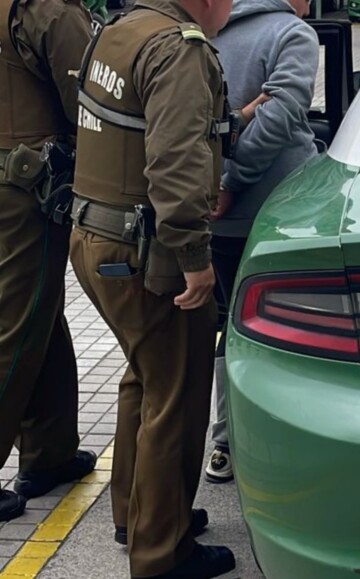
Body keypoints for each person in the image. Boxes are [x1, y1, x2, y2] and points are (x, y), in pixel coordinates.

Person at [68, 0, 246, 575]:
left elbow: (135, 123)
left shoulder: (120, 30)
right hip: (149, 253)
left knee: (144, 379)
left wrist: (231, 117)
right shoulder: (179, 47)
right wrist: (194, 256)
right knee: (178, 394)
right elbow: (173, 161)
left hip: (95, 237)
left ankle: (138, 515)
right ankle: (162, 552)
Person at [204, 0, 319, 484]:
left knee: (228, 331)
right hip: (277, 216)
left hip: (215, 219)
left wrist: (216, 183)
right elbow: (281, 114)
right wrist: (233, 181)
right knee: (285, 332)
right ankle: (279, 443)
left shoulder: (205, 28)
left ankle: (223, 442)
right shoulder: (291, 33)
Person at [0, 0, 97, 523]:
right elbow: (91, 105)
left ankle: (50, 451)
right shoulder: (50, 10)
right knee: (14, 326)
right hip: (27, 190)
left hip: (11, 180)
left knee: (38, 312)